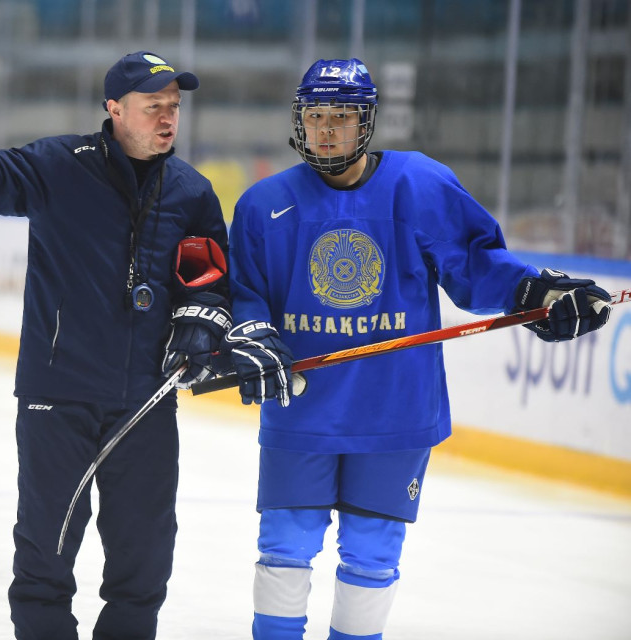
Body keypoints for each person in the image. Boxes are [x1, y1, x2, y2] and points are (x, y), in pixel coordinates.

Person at [220, 58, 613, 640]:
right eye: (316, 115)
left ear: (367, 122)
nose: (327, 129)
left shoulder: (419, 186)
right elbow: (245, 295)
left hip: (395, 411)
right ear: (300, 120)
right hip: (301, 410)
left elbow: (478, 266)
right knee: (285, 544)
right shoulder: (262, 206)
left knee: (372, 554)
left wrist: (534, 292)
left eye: (343, 116)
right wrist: (249, 335)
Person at [0, 51, 231, 640]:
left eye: (174, 107)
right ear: (114, 109)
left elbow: (207, 276)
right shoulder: (60, 165)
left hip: (146, 401)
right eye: (152, 106)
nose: (167, 118)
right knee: (46, 556)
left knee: (144, 557)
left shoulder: (191, 192)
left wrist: (201, 328)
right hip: (57, 395)